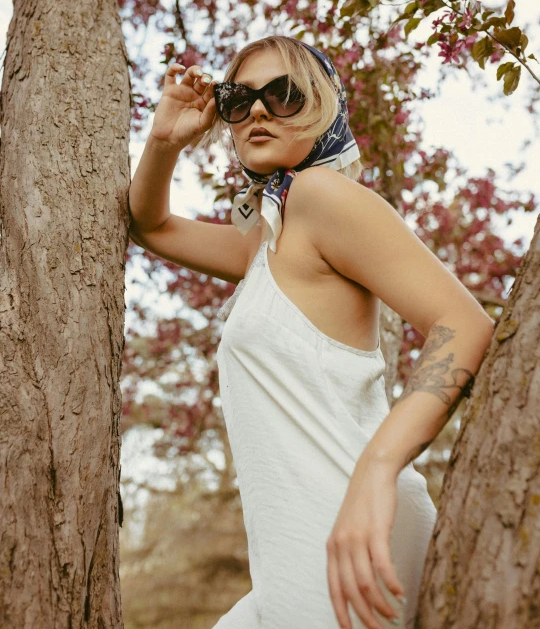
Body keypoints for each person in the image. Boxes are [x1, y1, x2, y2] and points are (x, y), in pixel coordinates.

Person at [128, 35, 494, 629]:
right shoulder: (271, 238)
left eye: (284, 94)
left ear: (323, 107)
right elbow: (151, 224)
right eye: (237, 100)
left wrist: (377, 471)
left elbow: (464, 324)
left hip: (352, 529)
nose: (260, 111)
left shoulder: (322, 196)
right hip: (301, 545)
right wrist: (165, 140)